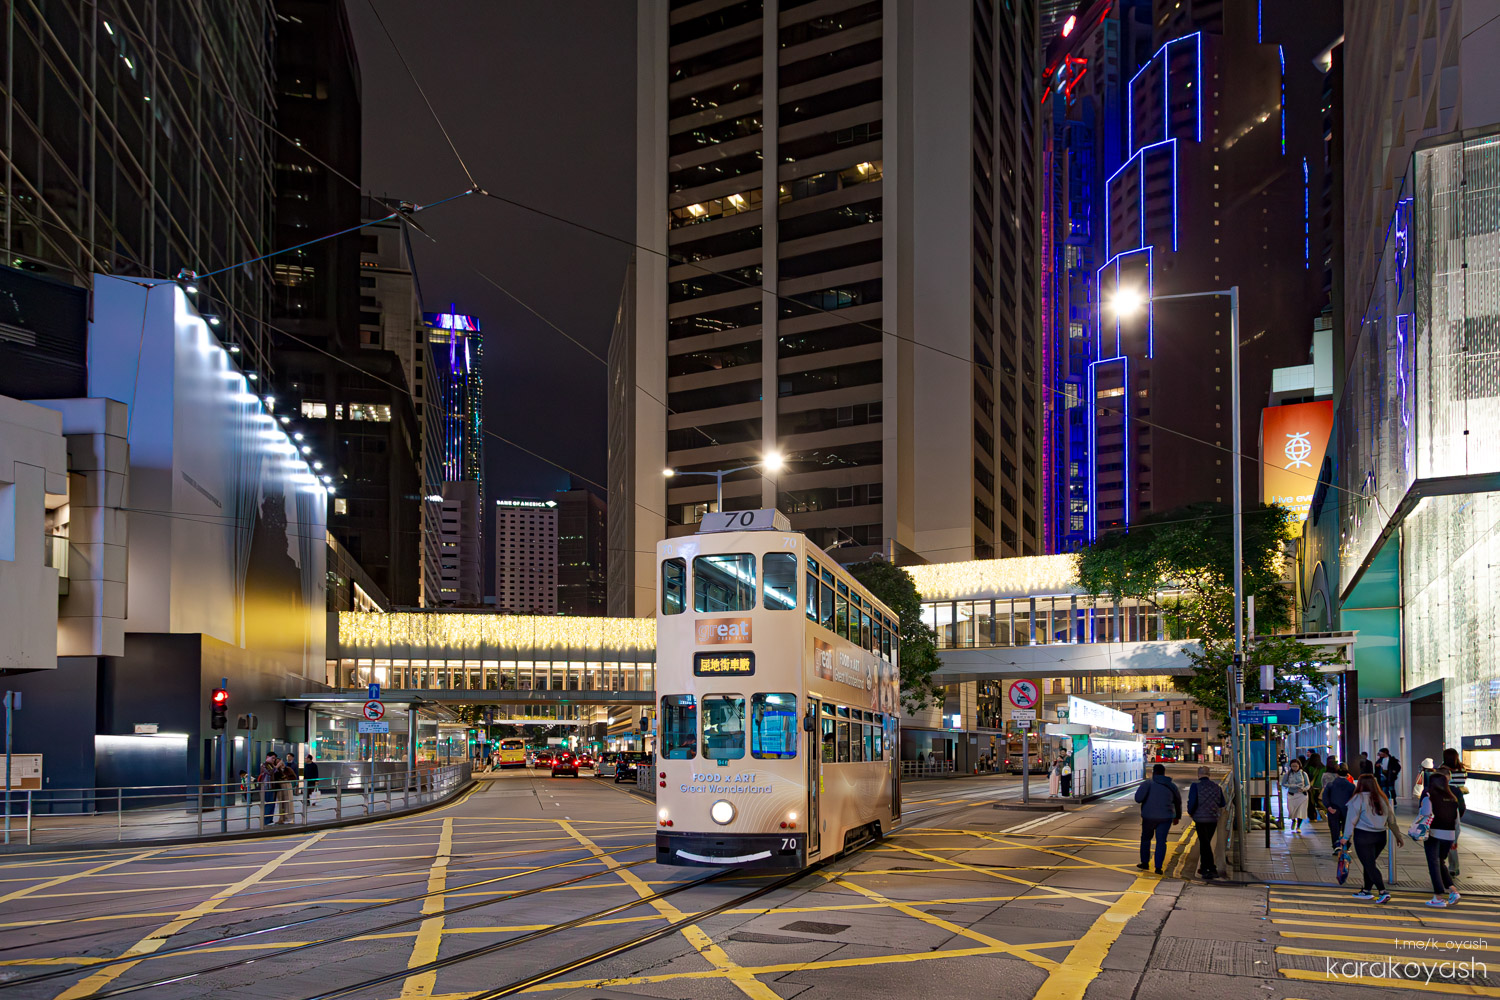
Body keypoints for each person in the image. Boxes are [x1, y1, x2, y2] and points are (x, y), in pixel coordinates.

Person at [1341, 773, 1405, 904]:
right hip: (1380, 837)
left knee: (1369, 865)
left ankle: (1382, 891)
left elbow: (1351, 819)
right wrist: (1398, 836)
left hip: (1364, 836)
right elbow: (1391, 820)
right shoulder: (1382, 798)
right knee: (1369, 863)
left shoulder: (1358, 798)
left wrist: (1345, 837)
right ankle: (1366, 890)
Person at [1416, 771, 1462, 908]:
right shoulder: (1452, 798)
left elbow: (1425, 814)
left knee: (1433, 864)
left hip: (1434, 834)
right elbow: (1456, 821)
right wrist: (1455, 839)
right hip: (1449, 836)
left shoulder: (1429, 797)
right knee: (1440, 862)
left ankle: (1438, 897)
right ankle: (1453, 890)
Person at [1134, 763, 1182, 874]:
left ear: (1154, 772)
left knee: (1146, 839)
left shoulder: (1148, 784)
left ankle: (1145, 863)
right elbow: (1178, 802)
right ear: (1164, 773)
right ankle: (1158, 867)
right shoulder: (1171, 785)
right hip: (1166, 817)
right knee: (1161, 842)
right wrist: (1177, 817)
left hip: (1149, 817)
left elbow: (1138, 798)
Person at [1187, 766, 1227, 879]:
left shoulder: (1195, 786)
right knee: (1206, 842)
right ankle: (1204, 867)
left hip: (1200, 819)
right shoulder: (1217, 787)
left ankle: (1210, 869)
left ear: (1198, 774)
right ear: (1209, 774)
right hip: (1213, 819)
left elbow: (1192, 802)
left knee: (1204, 843)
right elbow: (1222, 803)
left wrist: (1190, 812)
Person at [1322, 763, 1356, 852]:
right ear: (1347, 775)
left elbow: (1325, 797)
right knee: (1346, 827)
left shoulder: (1330, 785)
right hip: (1347, 810)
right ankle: (1346, 845)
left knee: (1334, 828)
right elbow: (1354, 799)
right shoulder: (1351, 786)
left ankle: (1336, 845)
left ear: (1337, 774)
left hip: (1333, 809)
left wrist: (1329, 807)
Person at [1283, 758, 1311, 833]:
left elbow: (1308, 785)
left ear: (1299, 766)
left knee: (1300, 811)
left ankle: (1298, 826)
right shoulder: (1288, 774)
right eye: (1293, 766)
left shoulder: (1303, 774)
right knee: (1291, 810)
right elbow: (1283, 783)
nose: (1294, 768)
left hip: (1302, 795)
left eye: (1296, 766)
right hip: (1292, 794)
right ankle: (1293, 820)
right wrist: (1291, 785)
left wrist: (1304, 789)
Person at [258, 753, 280, 827]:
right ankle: (266, 821)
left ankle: (270, 820)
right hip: (267, 787)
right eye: (272, 758)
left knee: (272, 804)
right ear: (268, 757)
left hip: (273, 787)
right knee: (269, 804)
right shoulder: (264, 765)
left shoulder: (271, 765)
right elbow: (269, 772)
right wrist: (277, 766)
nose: (274, 760)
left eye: (274, 758)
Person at [1305, 752, 1325, 821]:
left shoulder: (1308, 767)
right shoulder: (1323, 768)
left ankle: (1313, 817)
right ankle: (1322, 811)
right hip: (1320, 787)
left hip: (1310, 788)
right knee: (1320, 801)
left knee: (1311, 803)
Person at [277, 757, 297, 824]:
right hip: (280, 787)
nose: (281, 764)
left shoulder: (288, 769)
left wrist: (286, 778)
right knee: (281, 803)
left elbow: (294, 777)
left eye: (281, 762)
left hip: (287, 786)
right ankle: (282, 818)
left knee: (288, 802)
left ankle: (290, 818)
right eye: (278, 762)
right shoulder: (277, 770)